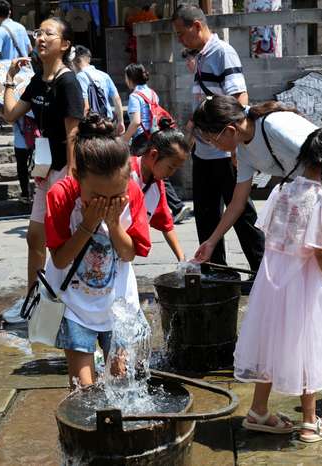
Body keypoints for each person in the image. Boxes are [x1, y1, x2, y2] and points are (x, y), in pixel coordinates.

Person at [190, 94, 322, 345]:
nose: (212, 146)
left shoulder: (273, 126)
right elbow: (238, 202)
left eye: (210, 139)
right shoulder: (245, 149)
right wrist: (211, 241)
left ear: (229, 130)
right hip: (310, 193)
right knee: (320, 270)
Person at [233, 127, 322, 443]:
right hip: (304, 283)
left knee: (272, 343)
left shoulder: (283, 191)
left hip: (274, 282)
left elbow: (271, 235)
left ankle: (259, 410)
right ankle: (311, 422)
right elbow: (321, 250)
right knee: (306, 346)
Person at [45, 114, 151, 387]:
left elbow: (128, 254)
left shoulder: (133, 194)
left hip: (118, 303)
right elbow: (59, 259)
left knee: (121, 381)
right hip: (74, 304)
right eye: (97, 197)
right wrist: (89, 224)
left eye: (115, 196)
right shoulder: (60, 195)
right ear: (78, 176)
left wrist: (114, 223)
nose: (106, 202)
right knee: (82, 387)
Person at [0, 17, 84, 323]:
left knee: (61, 238)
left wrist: (72, 177)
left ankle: (68, 300)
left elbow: (74, 131)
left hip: (65, 170)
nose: (41, 37)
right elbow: (10, 114)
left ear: (64, 45)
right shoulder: (37, 81)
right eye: (39, 32)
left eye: (49, 33)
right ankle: (33, 299)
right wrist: (10, 77)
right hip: (45, 170)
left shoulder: (68, 82)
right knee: (35, 237)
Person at [171, 5, 265, 274]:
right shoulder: (201, 56)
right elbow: (206, 101)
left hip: (225, 153)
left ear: (197, 26)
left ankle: (262, 270)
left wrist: (235, 149)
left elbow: (239, 99)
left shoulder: (222, 52)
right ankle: (215, 269)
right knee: (205, 214)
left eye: (181, 33)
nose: (180, 39)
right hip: (204, 151)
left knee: (242, 215)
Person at [123, 63, 192, 224]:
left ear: (130, 78)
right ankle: (173, 206)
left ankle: (169, 207)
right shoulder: (152, 93)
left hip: (141, 139)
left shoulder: (135, 96)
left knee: (141, 174)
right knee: (158, 174)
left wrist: (123, 140)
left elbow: (135, 122)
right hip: (155, 135)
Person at [0, 0, 34, 202]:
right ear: (9, 11)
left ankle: (25, 192)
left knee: (15, 121)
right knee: (32, 121)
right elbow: (30, 49)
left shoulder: (0, 31)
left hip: (11, 79)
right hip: (27, 77)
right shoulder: (21, 27)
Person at [130, 118, 189, 261]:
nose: (172, 173)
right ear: (153, 154)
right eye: (170, 167)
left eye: (176, 168)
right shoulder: (125, 173)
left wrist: (182, 259)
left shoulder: (157, 184)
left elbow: (166, 224)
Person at [72, 46, 123, 133]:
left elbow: (85, 106)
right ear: (88, 59)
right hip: (107, 122)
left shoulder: (80, 77)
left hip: (93, 125)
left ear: (76, 61)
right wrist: (121, 121)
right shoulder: (104, 75)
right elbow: (117, 99)